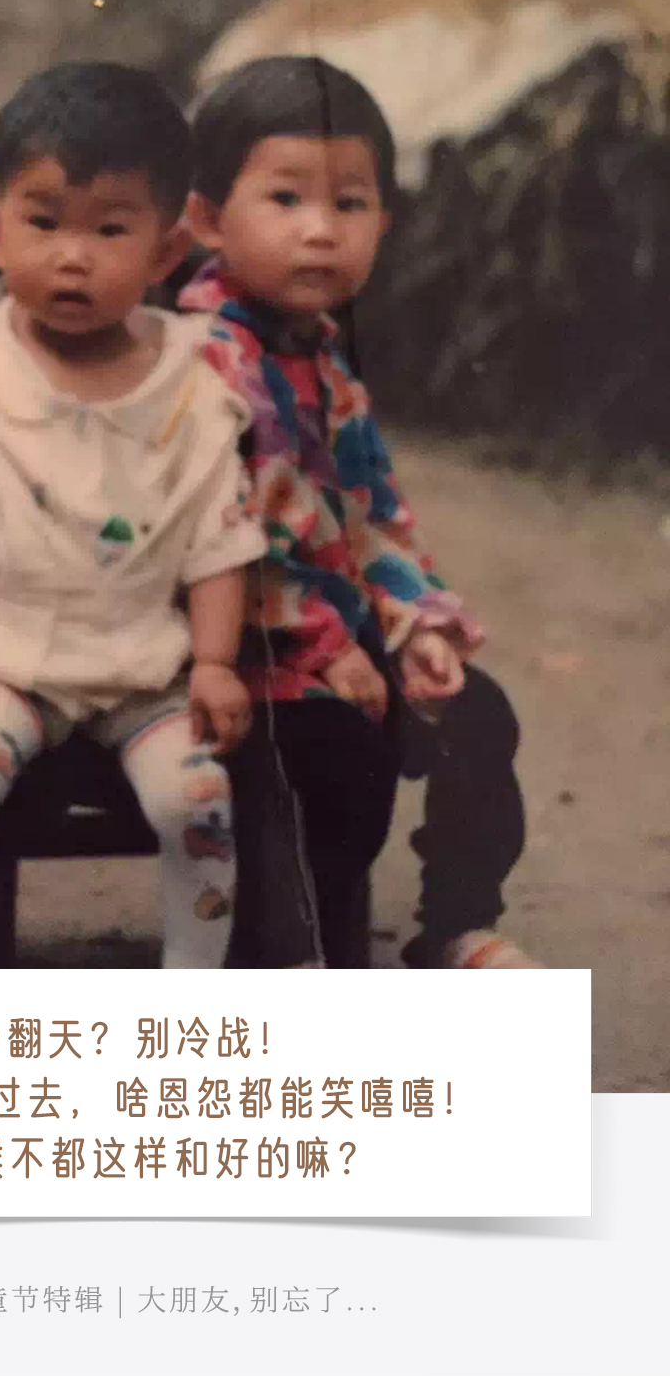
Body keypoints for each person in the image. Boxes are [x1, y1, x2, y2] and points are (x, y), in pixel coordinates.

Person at [0, 61, 266, 969]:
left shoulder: (194, 392)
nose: (72, 256)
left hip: (146, 669)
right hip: (0, 657)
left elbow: (219, 545)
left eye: (110, 229)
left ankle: (193, 989)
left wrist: (214, 664)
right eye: (44, 222)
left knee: (196, 801)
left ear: (165, 252)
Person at [179, 54, 538, 970]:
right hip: (233, 648)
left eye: (349, 203)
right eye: (286, 198)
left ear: (383, 220)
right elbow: (220, 539)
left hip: (334, 643)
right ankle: (287, 949)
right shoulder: (205, 362)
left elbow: (374, 516)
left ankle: (454, 924)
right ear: (208, 218)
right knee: (334, 747)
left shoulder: (325, 363)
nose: (321, 230)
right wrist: (326, 647)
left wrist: (415, 625)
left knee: (476, 715)